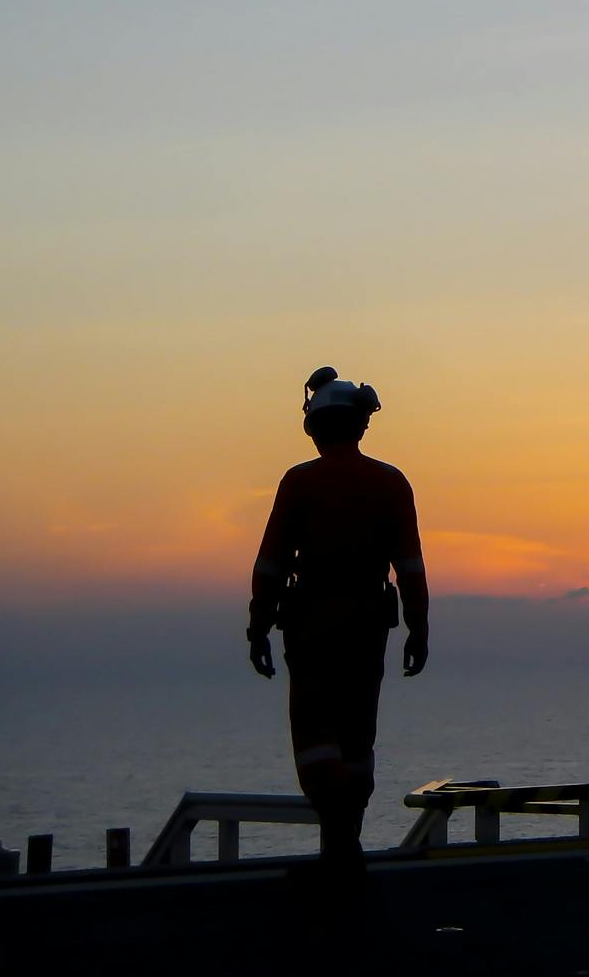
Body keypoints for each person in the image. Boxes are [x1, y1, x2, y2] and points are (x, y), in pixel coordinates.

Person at [248, 366, 430, 873]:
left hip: (311, 625)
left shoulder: (300, 483)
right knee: (357, 735)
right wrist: (419, 627)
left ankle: (338, 842)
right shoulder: (391, 483)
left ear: (314, 426)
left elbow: (271, 563)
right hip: (368, 625)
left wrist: (258, 627)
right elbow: (410, 564)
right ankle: (346, 839)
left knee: (314, 732)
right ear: (360, 424)